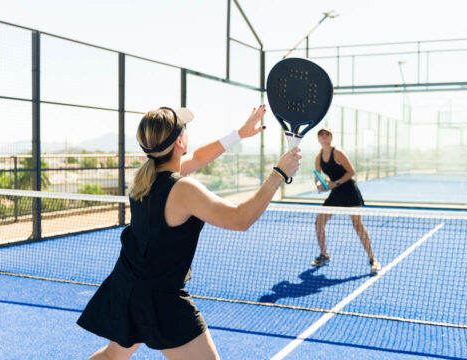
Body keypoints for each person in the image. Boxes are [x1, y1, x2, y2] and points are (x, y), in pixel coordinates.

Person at [77, 105, 301, 360]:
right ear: (180, 141)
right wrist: (279, 174)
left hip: (127, 286)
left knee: (111, 356)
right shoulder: (182, 189)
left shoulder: (144, 178)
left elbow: (198, 157)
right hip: (160, 299)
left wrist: (239, 133)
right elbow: (240, 219)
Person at [312, 127, 381, 274]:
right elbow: (317, 176)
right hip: (335, 194)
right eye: (321, 135)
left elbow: (351, 172)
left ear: (331, 137)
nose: (324, 137)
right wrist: (320, 185)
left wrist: (335, 183)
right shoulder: (318, 157)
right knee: (319, 222)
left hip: (349, 191)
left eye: (327, 134)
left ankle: (372, 259)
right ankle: (324, 255)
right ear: (318, 139)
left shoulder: (337, 153)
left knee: (357, 225)